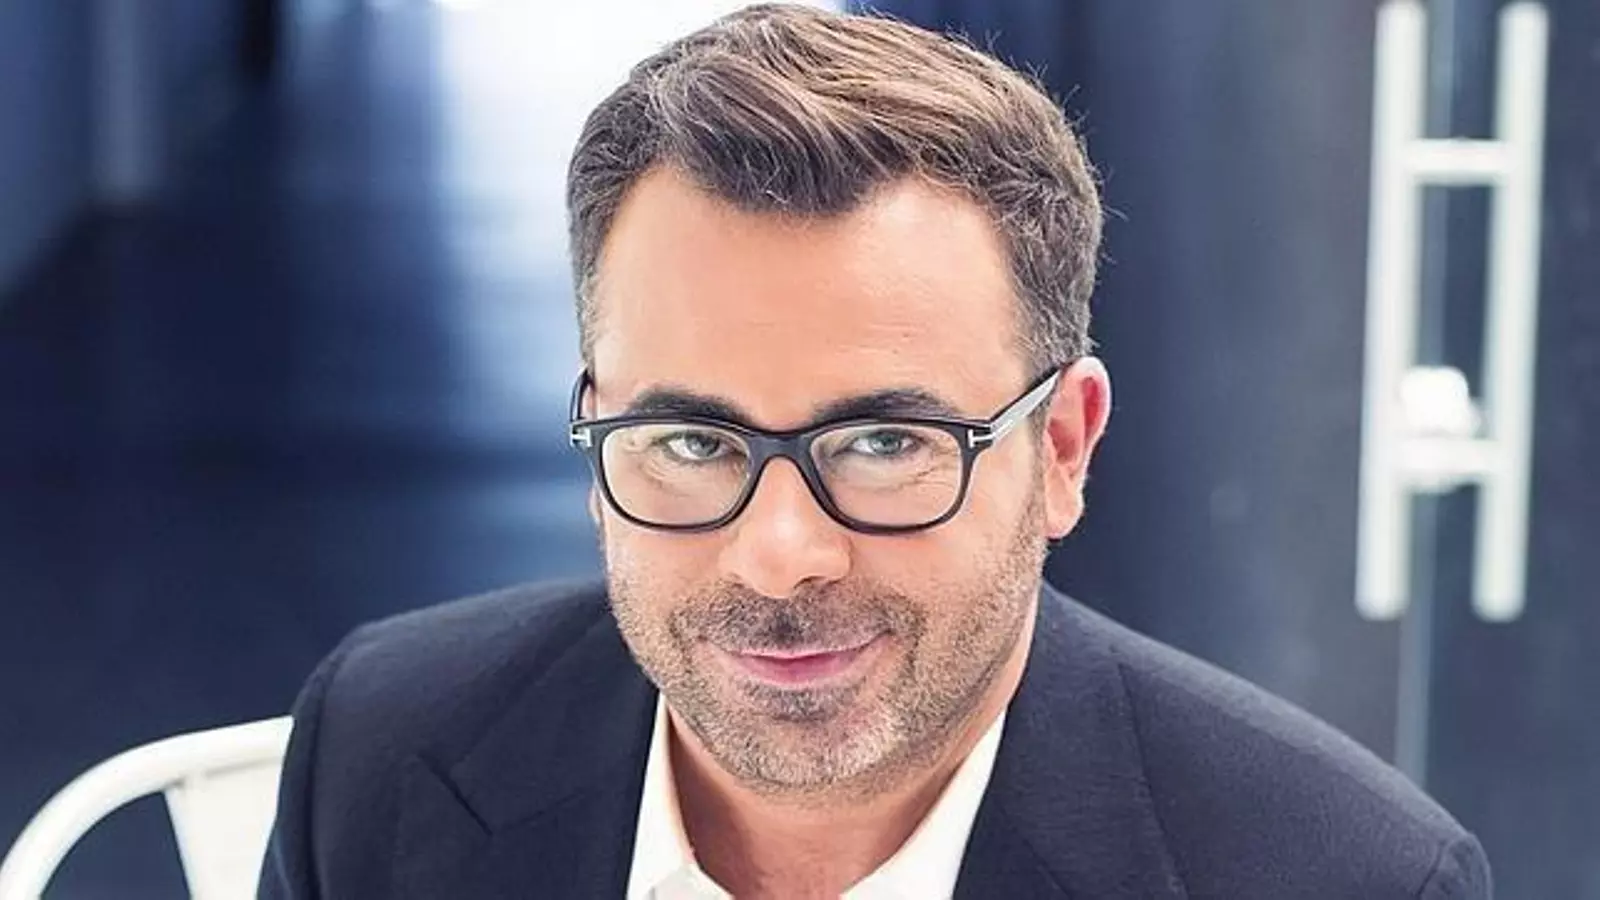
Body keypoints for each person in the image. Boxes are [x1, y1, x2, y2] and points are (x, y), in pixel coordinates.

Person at [258, 4, 1490, 898]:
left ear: (1061, 449)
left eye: (885, 441)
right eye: (688, 439)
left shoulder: (1345, 876)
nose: (780, 553)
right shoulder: (384, 741)